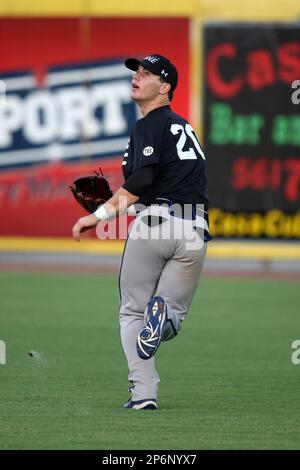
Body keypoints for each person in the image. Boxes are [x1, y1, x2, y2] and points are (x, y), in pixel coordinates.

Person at [72, 53, 211, 410]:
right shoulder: (186, 130)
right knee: (172, 317)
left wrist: (100, 215)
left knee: (133, 312)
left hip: (154, 227)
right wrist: (129, 203)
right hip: (194, 229)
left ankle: (143, 393)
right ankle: (162, 320)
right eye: (137, 71)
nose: (137, 76)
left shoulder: (150, 124)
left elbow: (144, 180)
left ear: (165, 88)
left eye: (147, 73)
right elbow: (166, 186)